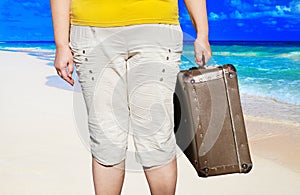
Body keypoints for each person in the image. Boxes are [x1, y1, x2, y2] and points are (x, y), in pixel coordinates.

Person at [50, 0, 211, 194]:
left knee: (156, 134)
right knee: (106, 136)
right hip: (91, 30)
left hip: (155, 27)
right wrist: (61, 43)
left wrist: (202, 34)